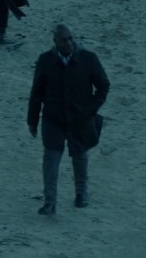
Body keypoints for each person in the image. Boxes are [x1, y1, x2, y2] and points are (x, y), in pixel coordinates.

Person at [27, 23, 109, 215]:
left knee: (80, 155)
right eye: (64, 40)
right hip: (53, 118)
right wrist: (32, 120)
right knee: (51, 159)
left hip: (79, 118)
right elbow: (36, 92)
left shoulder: (88, 58)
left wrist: (90, 110)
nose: (69, 43)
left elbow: (103, 86)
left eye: (70, 38)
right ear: (55, 41)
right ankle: (50, 202)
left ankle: (81, 194)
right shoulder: (45, 60)